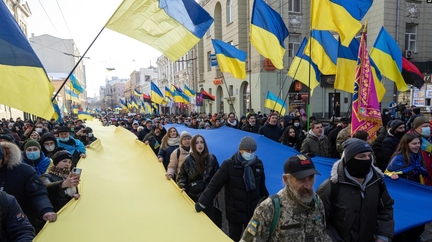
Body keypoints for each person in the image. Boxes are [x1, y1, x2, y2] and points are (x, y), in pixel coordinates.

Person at [316, 138, 394, 242]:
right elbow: (319, 220)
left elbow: (386, 208)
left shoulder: (377, 182)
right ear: (349, 159)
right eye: (361, 156)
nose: (367, 159)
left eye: (369, 156)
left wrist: (383, 235)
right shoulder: (331, 186)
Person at [240, 154, 331, 242]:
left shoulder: (317, 201)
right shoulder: (270, 208)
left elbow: (322, 234)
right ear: (286, 179)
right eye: (301, 179)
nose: (308, 186)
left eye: (311, 178)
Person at [196, 137, 269, 241]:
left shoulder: (258, 164)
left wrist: (267, 201)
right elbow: (214, 185)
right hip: (235, 212)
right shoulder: (229, 164)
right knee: (234, 238)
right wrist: (202, 202)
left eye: (252, 151)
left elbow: (261, 185)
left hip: (252, 210)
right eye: (248, 151)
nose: (250, 153)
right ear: (240, 150)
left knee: (252, 238)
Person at [0, 140, 57, 233]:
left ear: (5, 157)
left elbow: (38, 193)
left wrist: (46, 209)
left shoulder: (24, 171)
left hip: (21, 221)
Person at [385, 133, 429, 241]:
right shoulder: (398, 158)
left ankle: (416, 236)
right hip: (404, 196)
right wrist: (392, 175)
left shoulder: (417, 157)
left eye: (419, 143)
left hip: (416, 193)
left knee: (418, 219)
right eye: (414, 143)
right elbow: (386, 174)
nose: (417, 145)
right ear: (406, 144)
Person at [176, 135, 219, 223]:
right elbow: (181, 176)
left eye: (201, 142)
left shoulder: (212, 158)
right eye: (197, 143)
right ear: (193, 145)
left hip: (208, 195)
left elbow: (217, 176)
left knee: (209, 221)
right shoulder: (188, 160)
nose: (200, 145)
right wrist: (182, 185)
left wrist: (216, 191)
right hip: (193, 196)